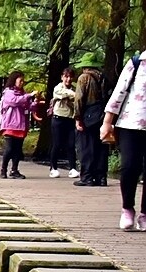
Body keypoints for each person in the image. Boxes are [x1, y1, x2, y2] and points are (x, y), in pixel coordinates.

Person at [101, 53, 145, 230]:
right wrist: (107, 122)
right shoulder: (137, 62)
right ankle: (127, 208)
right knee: (129, 167)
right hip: (130, 123)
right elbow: (119, 92)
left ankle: (145, 213)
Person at [74, 52, 111, 187]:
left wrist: (77, 118)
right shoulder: (103, 78)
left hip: (88, 115)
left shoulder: (83, 78)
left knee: (86, 146)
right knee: (101, 147)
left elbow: (79, 99)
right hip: (102, 115)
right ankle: (101, 177)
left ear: (85, 66)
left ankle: (87, 177)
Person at [0, 70, 38, 179]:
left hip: (21, 125)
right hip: (10, 125)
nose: (22, 83)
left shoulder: (23, 93)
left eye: (23, 81)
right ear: (14, 80)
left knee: (17, 149)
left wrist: (34, 102)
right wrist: (29, 95)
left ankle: (14, 169)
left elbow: (29, 107)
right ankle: (3, 169)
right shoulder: (8, 92)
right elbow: (14, 101)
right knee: (9, 148)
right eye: (20, 80)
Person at [48, 68, 79, 178]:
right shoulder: (58, 88)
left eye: (70, 77)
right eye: (66, 76)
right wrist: (73, 94)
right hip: (58, 119)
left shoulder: (75, 88)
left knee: (71, 144)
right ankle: (53, 168)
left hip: (70, 119)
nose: (68, 79)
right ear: (62, 77)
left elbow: (77, 100)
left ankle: (73, 168)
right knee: (57, 144)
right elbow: (63, 94)